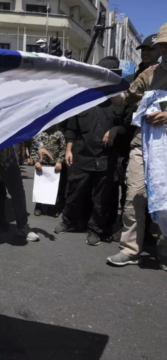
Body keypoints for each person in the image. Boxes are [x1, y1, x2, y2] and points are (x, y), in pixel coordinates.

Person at [107, 23, 167, 267]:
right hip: (142, 145)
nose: (165, 49)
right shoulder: (150, 74)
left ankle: (164, 250)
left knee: (165, 199)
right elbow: (125, 98)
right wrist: (106, 88)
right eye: (162, 45)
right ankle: (130, 249)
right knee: (134, 196)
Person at [55, 57, 128, 246]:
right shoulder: (85, 99)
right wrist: (68, 150)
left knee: (102, 199)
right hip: (82, 156)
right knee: (74, 192)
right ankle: (68, 222)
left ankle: (95, 230)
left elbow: (128, 127)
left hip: (107, 159)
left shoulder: (120, 101)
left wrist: (116, 129)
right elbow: (72, 129)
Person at [31, 125, 66, 217]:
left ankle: (52, 208)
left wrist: (59, 161)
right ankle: (38, 206)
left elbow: (63, 149)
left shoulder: (59, 133)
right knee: (40, 186)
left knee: (53, 188)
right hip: (41, 164)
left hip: (54, 165)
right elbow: (34, 149)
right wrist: (36, 161)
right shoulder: (39, 133)